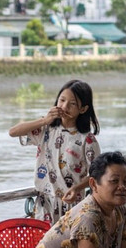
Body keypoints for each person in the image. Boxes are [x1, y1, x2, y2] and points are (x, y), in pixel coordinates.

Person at [8, 79, 102, 223]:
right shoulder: (46, 129)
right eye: (62, 100)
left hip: (72, 204)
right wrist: (44, 121)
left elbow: (97, 173)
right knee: (44, 245)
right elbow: (13, 132)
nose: (64, 107)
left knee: (67, 245)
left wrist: (76, 188)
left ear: (82, 109)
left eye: (72, 104)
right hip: (44, 204)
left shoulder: (87, 140)